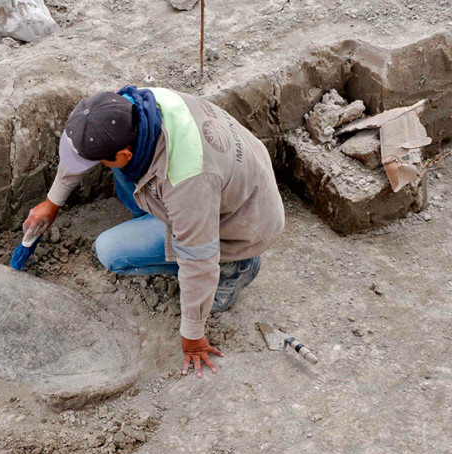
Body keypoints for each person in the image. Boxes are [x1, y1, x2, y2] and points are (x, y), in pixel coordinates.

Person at [24, 87, 284, 378]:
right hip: (232, 181)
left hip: (243, 224)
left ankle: (236, 266)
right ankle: (154, 216)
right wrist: (52, 202)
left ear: (125, 153)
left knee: (110, 252)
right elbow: (82, 147)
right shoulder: (132, 107)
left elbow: (198, 259)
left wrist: (193, 335)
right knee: (119, 168)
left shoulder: (187, 181)